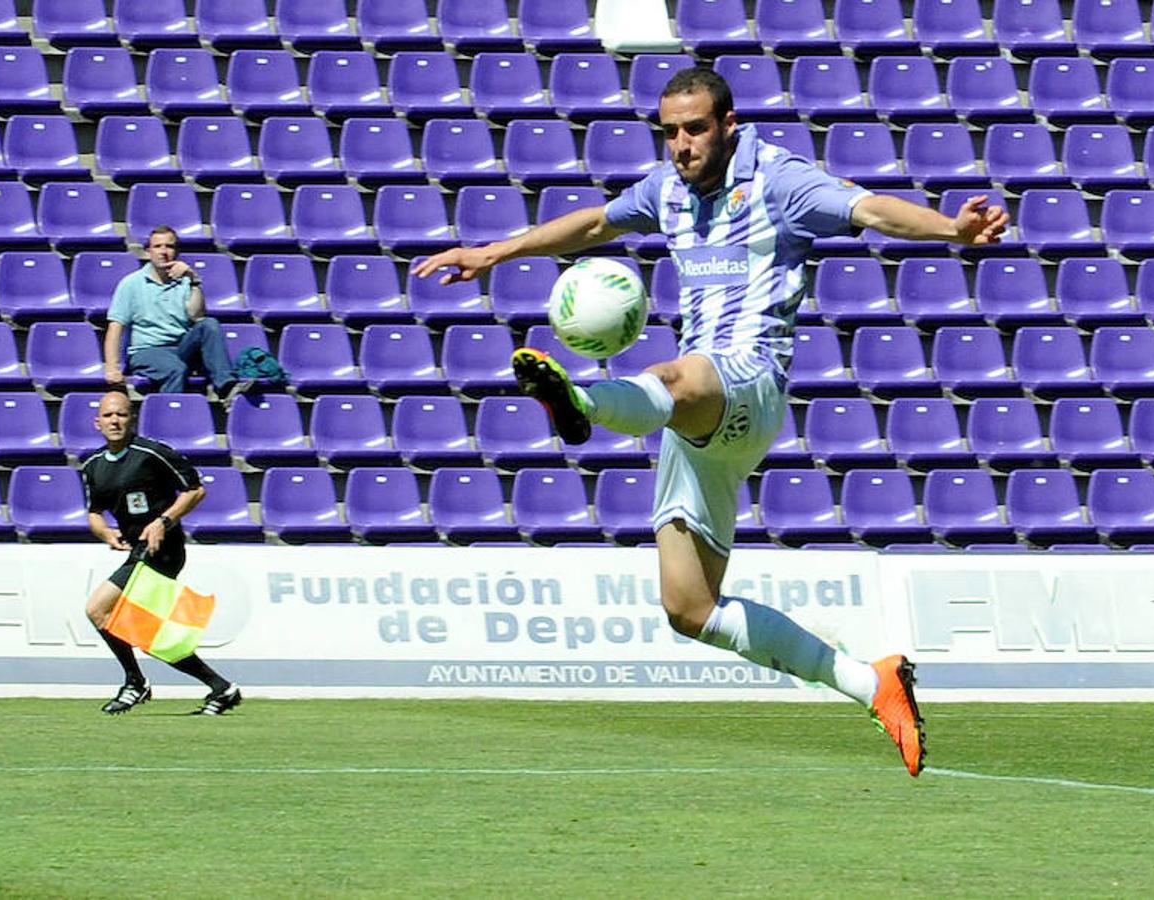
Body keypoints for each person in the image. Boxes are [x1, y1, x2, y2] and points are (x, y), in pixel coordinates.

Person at [415, 68, 1010, 776]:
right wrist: (494, 252)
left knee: (680, 373)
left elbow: (869, 210)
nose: (680, 145)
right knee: (688, 607)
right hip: (695, 426)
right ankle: (869, 681)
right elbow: (598, 223)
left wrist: (950, 228)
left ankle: (583, 405)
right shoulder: (667, 191)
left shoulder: (779, 182)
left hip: (747, 383)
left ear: (728, 124)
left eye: (694, 128)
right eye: (669, 131)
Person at [80, 390, 242, 716]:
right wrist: (104, 532)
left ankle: (136, 682)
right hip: (135, 551)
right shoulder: (93, 465)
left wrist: (162, 521)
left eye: (122, 414)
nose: (115, 421)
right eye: (109, 416)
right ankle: (220, 688)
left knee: (99, 610)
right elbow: (94, 512)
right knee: (142, 629)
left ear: (132, 419)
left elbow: (196, 490)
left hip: (162, 548)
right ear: (97, 423)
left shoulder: (151, 454)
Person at [103, 225, 252, 404]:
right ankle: (168, 420)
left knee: (209, 324)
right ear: (148, 251)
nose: (163, 252)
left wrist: (193, 280)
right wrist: (112, 368)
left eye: (169, 246)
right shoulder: (131, 284)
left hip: (181, 348)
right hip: (147, 351)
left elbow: (197, 316)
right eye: (158, 246)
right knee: (175, 369)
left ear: (177, 251)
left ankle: (227, 388)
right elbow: (115, 327)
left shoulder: (185, 282)